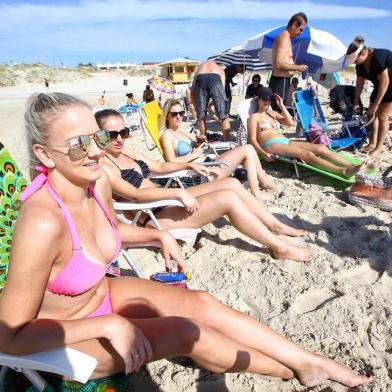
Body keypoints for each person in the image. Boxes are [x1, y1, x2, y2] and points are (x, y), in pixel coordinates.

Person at [0, 93, 373, 390]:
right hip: (64, 338)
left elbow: (108, 232)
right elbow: (10, 337)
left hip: (102, 295)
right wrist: (106, 326)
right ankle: (290, 374)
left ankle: (310, 361)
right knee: (186, 333)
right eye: (79, 145)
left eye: (97, 137)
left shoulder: (96, 181)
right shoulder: (42, 222)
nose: (97, 151)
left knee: (201, 303)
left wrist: (156, 234)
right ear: (44, 154)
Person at [96, 108, 311, 262]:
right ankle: (279, 248)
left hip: (167, 198)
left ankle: (275, 225)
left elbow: (159, 168)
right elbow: (134, 195)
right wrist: (178, 193)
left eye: (123, 133)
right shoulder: (104, 167)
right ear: (98, 136)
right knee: (227, 199)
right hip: (156, 215)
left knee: (232, 183)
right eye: (111, 135)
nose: (119, 139)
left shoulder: (126, 152)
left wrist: (191, 165)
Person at [159, 99, 276, 200]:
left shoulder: (180, 129)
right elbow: (170, 162)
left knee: (248, 149)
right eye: (175, 114)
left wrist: (198, 142)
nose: (179, 116)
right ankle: (257, 192)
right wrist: (194, 154)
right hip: (197, 176)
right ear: (167, 115)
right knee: (247, 149)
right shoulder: (167, 135)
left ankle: (262, 185)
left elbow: (193, 144)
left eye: (181, 112)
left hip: (206, 164)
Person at [248, 87, 363, 179]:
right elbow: (252, 139)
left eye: (269, 99)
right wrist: (263, 153)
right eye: (264, 99)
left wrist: (282, 105)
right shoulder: (254, 117)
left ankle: (351, 166)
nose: (267, 102)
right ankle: (342, 171)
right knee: (306, 154)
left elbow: (290, 123)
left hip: (285, 141)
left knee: (321, 148)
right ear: (259, 99)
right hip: (271, 145)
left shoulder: (272, 114)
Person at [346, 35, 392, 158]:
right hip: (380, 87)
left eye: (355, 60)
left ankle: (379, 148)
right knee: (371, 114)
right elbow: (359, 83)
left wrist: (376, 105)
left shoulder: (378, 57)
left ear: (362, 53)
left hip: (388, 85)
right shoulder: (360, 64)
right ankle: (372, 143)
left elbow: (385, 82)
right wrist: (356, 101)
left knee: (382, 116)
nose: (355, 63)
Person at [269, 12, 308, 111]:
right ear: (294, 25)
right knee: (277, 110)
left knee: (277, 110)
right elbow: (279, 64)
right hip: (280, 80)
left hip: (281, 80)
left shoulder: (285, 38)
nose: (301, 32)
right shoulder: (284, 39)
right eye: (301, 29)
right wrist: (298, 68)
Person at [191, 60, 230, 140]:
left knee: (201, 117)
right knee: (224, 115)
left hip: (200, 78)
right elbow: (222, 92)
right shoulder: (220, 69)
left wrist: (197, 109)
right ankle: (226, 139)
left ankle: (204, 140)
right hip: (215, 77)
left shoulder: (200, 67)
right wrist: (217, 106)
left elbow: (192, 92)